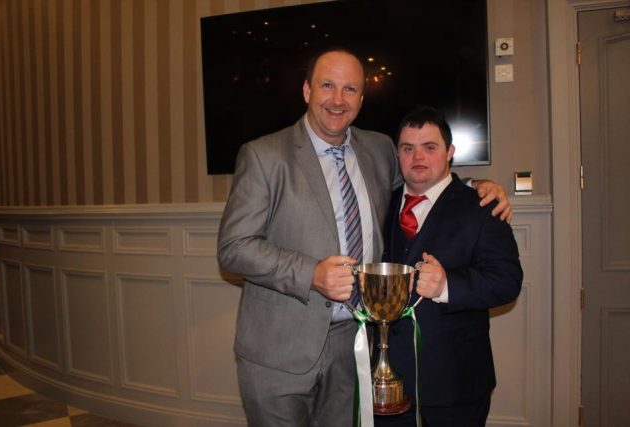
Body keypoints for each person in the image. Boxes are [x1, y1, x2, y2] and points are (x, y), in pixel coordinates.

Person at [217, 48, 511, 427]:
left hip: (353, 347)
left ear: (361, 99)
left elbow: (419, 184)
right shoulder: (264, 156)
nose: (338, 100)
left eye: (350, 89)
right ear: (307, 91)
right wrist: (311, 273)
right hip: (280, 352)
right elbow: (233, 247)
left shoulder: (378, 150)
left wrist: (473, 186)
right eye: (327, 86)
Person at [377, 106, 523, 427]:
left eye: (430, 147)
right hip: (386, 386)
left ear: (450, 152)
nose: (418, 157)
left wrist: (447, 287)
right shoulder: (378, 204)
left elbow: (507, 280)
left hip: (456, 386)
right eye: (407, 148)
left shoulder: (482, 206)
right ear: (397, 154)